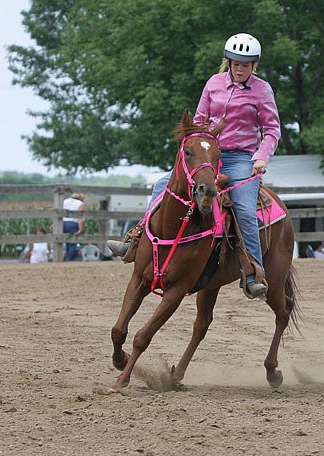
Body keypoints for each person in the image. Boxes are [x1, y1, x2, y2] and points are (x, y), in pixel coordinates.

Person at [107, 32, 280, 300]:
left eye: (246, 65)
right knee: (163, 184)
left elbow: (272, 130)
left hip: (241, 159)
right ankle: (135, 239)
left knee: (245, 210)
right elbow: (200, 119)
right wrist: (197, 145)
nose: (240, 69)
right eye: (236, 63)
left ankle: (253, 273)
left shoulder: (262, 90)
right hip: (209, 154)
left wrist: (261, 157)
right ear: (229, 62)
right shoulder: (213, 84)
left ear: (253, 65)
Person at [63, 192, 85, 261]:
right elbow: (79, 216)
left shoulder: (65, 201)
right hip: (72, 224)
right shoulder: (80, 203)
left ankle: (66, 258)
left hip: (63, 223)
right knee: (72, 242)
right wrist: (80, 229)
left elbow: (58, 213)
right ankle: (70, 260)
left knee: (66, 242)